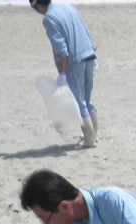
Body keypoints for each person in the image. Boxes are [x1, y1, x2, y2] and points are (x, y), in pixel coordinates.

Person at [30, 0, 98, 148]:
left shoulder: (49, 18)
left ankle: (89, 140)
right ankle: (94, 136)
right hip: (90, 54)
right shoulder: (67, 6)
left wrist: (62, 73)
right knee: (87, 100)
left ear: (37, 5)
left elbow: (61, 50)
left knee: (79, 103)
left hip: (75, 61)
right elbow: (85, 30)